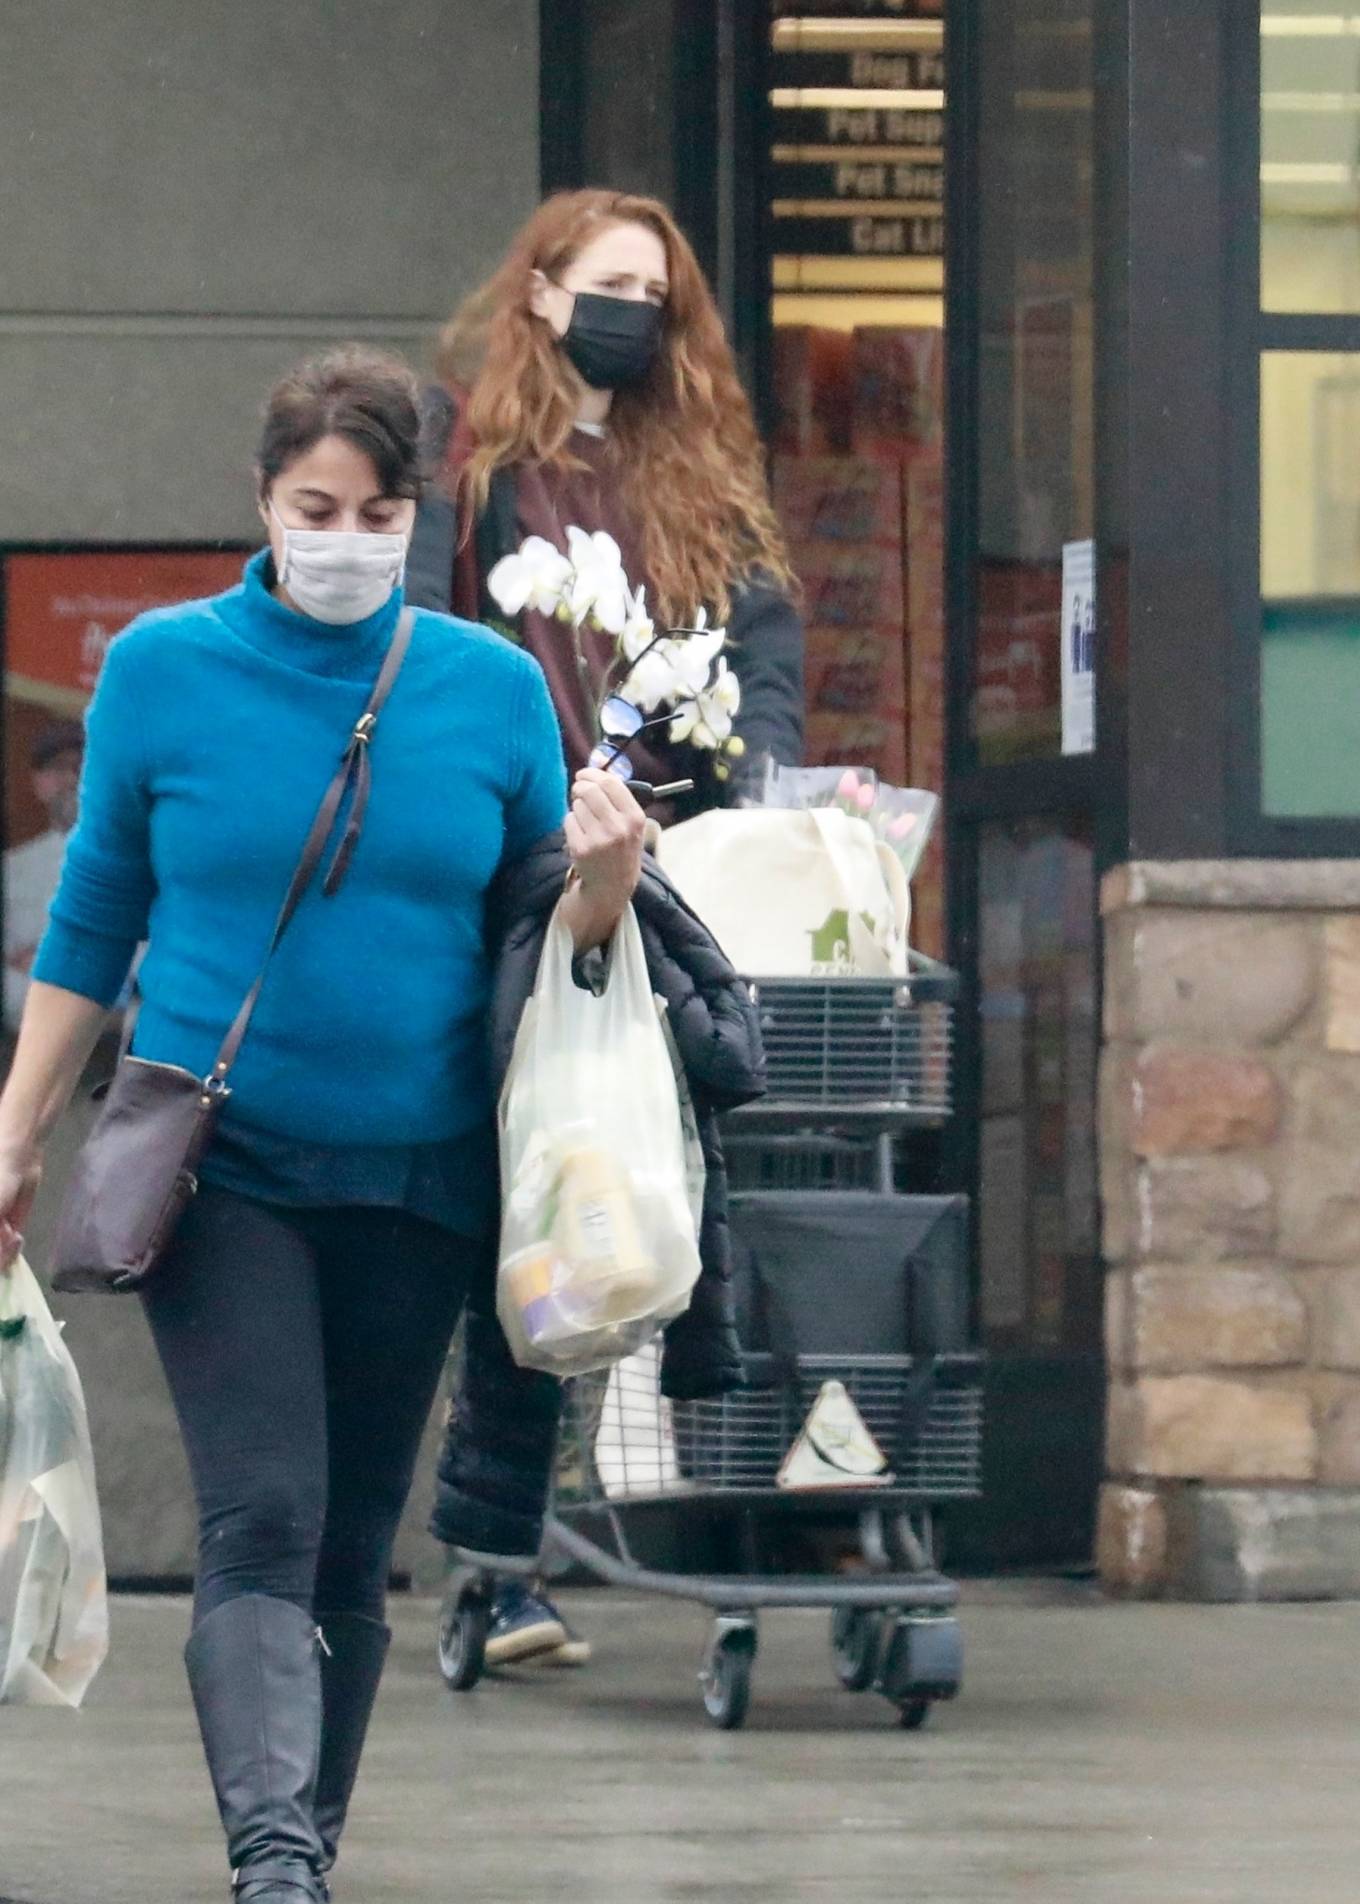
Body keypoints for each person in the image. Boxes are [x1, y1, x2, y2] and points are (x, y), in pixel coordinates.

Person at [0, 344, 645, 1904]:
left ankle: (310, 1843)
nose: (346, 536)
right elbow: (93, 919)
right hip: (225, 1166)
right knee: (264, 1511)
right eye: (316, 505)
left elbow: (533, 939)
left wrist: (608, 882)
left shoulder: (491, 687)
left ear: (418, 515)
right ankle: (273, 1861)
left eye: (378, 510)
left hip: (423, 1175)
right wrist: (15, 1128)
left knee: (358, 1544)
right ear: (265, 501)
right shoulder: (164, 668)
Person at [406, 187, 806, 1667]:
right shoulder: (473, 475)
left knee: (642, 1173)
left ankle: (520, 1549)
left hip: (661, 866)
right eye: (609, 281)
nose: (636, 309)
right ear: (542, 293)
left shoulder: (694, 483)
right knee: (538, 1189)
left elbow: (759, 658)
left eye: (658, 288)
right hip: (514, 869)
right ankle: (501, 1555)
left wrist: (742, 792)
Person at [3, 719, 84, 1034]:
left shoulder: (141, 865)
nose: (70, 778)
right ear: (38, 781)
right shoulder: (13, 867)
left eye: (80, 765)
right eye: (57, 767)